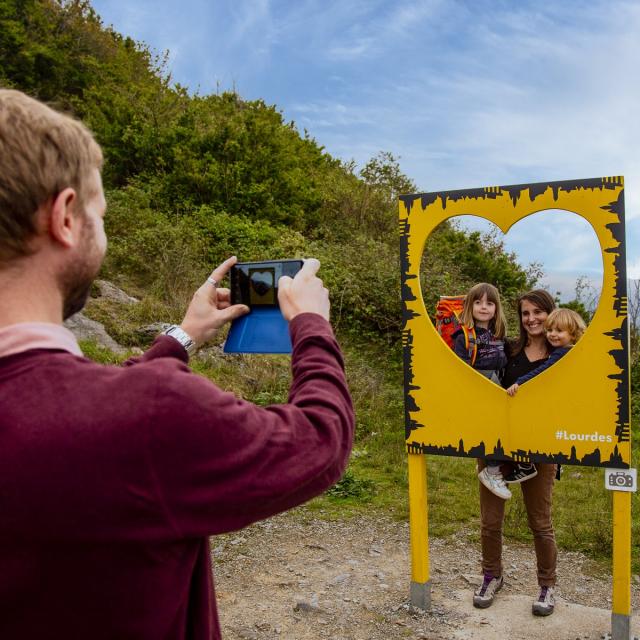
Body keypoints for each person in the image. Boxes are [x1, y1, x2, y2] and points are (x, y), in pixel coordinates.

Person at [0, 89, 354, 639]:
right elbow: (319, 439)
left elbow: (69, 404)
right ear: (65, 217)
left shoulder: (111, 411)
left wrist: (183, 336)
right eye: (100, 213)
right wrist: (312, 325)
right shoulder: (149, 415)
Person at [473, 289, 558, 617]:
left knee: (540, 521)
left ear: (550, 313)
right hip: (497, 447)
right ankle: (491, 576)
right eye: (526, 313)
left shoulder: (562, 354)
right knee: (490, 521)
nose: (532, 319)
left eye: (538, 312)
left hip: (540, 449)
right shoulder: (507, 350)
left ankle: (547, 585)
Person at [452, 283, 510, 499]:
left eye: (489, 303)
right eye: (478, 302)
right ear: (470, 306)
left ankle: (498, 464)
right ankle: (492, 470)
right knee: (499, 425)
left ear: (496, 308)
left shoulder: (498, 334)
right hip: (480, 387)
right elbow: (461, 369)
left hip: (497, 383)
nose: (483, 307)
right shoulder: (464, 336)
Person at [506, 307, 586, 396]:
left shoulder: (562, 353)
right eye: (550, 330)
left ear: (573, 334)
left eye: (559, 330)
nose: (552, 334)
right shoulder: (572, 351)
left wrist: (519, 382)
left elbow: (542, 371)